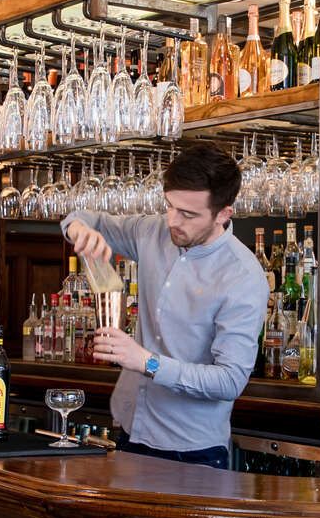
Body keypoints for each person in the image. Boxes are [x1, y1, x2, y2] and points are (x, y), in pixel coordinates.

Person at [61, 142, 267, 468]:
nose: (173, 220)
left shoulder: (243, 277)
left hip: (192, 452)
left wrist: (148, 362)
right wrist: (81, 231)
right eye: (170, 205)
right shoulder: (152, 232)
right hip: (130, 430)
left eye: (188, 214)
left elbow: (229, 381)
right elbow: (79, 218)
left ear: (223, 214)